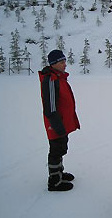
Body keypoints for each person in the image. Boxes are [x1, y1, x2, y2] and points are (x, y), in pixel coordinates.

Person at [38, 50, 80, 191]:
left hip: (61, 122)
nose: (65, 65)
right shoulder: (51, 79)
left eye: (64, 61)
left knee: (61, 148)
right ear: (54, 64)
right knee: (56, 150)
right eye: (62, 62)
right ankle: (54, 181)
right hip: (56, 124)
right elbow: (50, 107)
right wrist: (57, 126)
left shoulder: (58, 77)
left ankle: (59, 173)